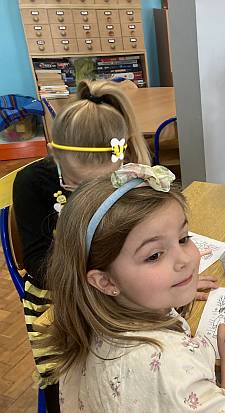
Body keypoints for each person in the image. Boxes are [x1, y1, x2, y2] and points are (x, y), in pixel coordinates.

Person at [43, 164, 225, 413]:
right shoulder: (170, 365)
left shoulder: (89, 314)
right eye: (154, 256)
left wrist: (174, 288)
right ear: (106, 281)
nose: (185, 260)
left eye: (183, 238)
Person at [12, 79, 153, 411]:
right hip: (57, 299)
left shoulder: (129, 175)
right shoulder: (32, 182)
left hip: (115, 287)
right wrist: (106, 279)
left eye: (102, 184)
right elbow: (38, 265)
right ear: (56, 154)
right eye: (76, 185)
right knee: (69, 384)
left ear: (121, 157)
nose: (91, 194)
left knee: (132, 371)